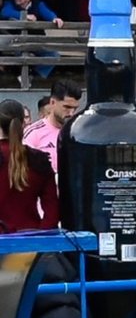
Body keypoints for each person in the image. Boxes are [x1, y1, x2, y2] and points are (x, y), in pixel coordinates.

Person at [0, 98, 59, 231]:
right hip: (30, 243)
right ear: (23, 123)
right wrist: (39, 240)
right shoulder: (39, 160)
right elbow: (52, 213)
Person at [23, 78, 82, 174]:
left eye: (75, 108)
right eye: (67, 107)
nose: (71, 113)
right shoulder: (34, 133)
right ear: (52, 102)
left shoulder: (79, 132)